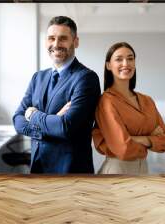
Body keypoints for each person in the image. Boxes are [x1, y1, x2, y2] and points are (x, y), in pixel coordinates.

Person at [13, 16, 101, 174]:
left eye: (63, 38)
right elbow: (17, 120)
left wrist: (33, 114)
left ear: (76, 41)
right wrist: (49, 124)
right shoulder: (38, 77)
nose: (56, 44)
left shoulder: (86, 78)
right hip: (37, 167)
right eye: (51, 38)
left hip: (70, 170)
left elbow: (65, 127)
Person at [92, 42, 165, 174]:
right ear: (108, 65)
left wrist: (136, 139)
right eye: (119, 59)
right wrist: (151, 140)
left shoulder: (147, 100)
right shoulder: (106, 101)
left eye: (130, 58)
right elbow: (123, 149)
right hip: (117, 170)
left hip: (143, 169)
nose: (126, 63)